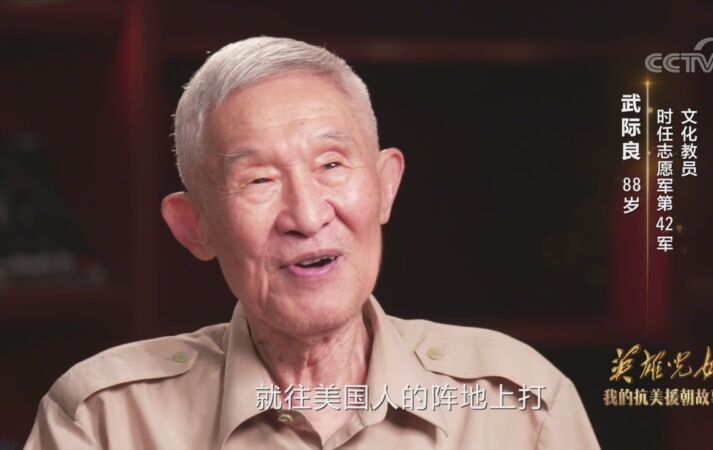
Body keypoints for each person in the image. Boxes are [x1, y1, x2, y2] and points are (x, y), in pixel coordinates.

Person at [25, 36, 599, 449]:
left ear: (385, 187)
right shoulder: (104, 420)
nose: (305, 215)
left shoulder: (521, 406)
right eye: (258, 180)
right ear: (194, 226)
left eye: (331, 164)